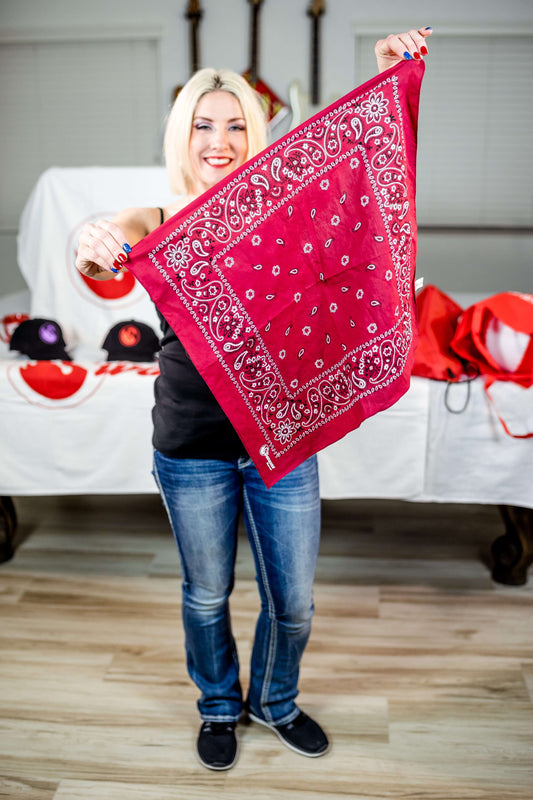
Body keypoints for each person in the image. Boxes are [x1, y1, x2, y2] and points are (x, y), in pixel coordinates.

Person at [76, 26, 432, 771]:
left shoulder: (284, 209)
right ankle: (216, 707)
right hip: (191, 446)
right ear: (182, 135)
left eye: (236, 123)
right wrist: (90, 236)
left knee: (293, 603)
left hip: (280, 440)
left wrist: (387, 75)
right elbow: (107, 245)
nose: (220, 138)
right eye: (204, 124)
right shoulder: (163, 220)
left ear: (255, 131)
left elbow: (358, 172)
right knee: (206, 595)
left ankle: (273, 702)